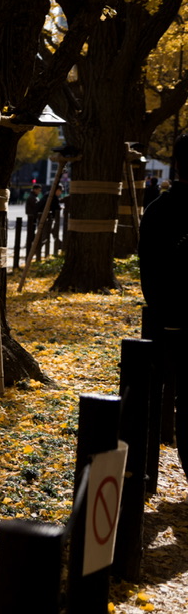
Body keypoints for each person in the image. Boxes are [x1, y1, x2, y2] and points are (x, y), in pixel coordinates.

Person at [139, 133, 188, 460]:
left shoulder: (159, 210)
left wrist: (162, 310)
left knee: (170, 398)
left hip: (170, 319)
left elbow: (149, 268)